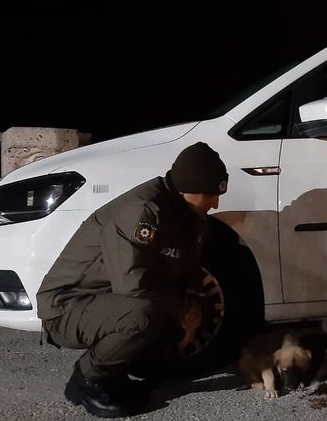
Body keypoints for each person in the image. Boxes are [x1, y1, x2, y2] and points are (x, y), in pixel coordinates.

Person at [36, 141, 229, 418]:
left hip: (109, 301)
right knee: (143, 315)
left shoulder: (189, 215)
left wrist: (193, 305)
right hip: (67, 306)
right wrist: (180, 309)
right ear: (188, 188)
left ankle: (116, 370)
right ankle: (86, 380)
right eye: (210, 194)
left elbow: (188, 268)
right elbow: (133, 284)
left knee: (169, 311)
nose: (215, 203)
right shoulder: (143, 211)